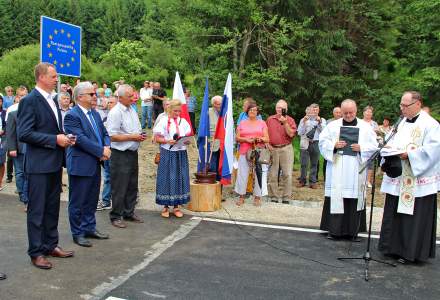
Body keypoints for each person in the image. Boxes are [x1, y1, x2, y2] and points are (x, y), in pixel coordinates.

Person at [18, 62, 75, 269]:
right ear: (41, 77)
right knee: (37, 210)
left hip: (53, 163)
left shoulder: (53, 100)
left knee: (52, 208)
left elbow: (51, 128)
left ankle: (51, 244)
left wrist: (64, 138)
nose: (56, 79)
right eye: (53, 76)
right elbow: (23, 133)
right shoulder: (30, 101)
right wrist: (54, 140)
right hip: (38, 165)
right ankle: (36, 252)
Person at [378, 91, 439, 264]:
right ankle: (391, 248)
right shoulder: (401, 122)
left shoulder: (431, 124)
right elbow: (392, 141)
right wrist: (389, 150)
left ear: (418, 104)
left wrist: (410, 155)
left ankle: (410, 252)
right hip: (399, 176)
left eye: (405, 106)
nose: (402, 109)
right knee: (394, 211)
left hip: (416, 180)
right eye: (401, 105)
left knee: (412, 216)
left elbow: (433, 151)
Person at [318, 99, 377, 241]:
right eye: (345, 113)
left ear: (356, 111)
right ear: (341, 111)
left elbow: (374, 146)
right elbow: (322, 142)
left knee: (354, 197)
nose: (348, 115)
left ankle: (353, 231)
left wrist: (361, 147)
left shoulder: (365, 127)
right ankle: (334, 230)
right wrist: (334, 145)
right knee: (337, 196)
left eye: (351, 112)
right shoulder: (333, 126)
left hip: (356, 168)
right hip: (338, 166)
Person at [64, 82, 111, 247]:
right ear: (80, 97)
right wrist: (101, 151)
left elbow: (104, 133)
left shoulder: (95, 114)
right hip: (80, 164)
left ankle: (89, 227)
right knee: (78, 201)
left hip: (95, 162)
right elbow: (80, 140)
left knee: (91, 198)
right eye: (91, 94)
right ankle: (77, 233)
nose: (95, 96)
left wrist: (106, 147)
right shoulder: (72, 116)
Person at [106, 84, 147, 228]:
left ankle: (128, 212)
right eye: (130, 96)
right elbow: (112, 136)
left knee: (132, 184)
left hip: (132, 152)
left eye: (133, 95)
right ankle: (116, 216)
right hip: (120, 154)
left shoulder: (132, 110)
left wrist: (140, 135)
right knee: (119, 186)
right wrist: (132, 137)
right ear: (120, 97)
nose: (133, 98)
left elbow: (136, 129)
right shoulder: (116, 112)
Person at [153, 99, 192, 218]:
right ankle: (165, 206)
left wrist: (185, 142)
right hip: (167, 152)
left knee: (179, 177)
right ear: (169, 109)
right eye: (175, 111)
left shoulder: (183, 121)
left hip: (180, 153)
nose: (177, 113)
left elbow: (188, 138)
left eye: (179, 111)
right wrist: (167, 140)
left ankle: (176, 206)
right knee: (166, 177)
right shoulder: (164, 121)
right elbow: (156, 138)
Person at [234, 102, 269, 207]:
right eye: (250, 110)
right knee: (242, 173)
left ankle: (257, 197)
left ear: (257, 112)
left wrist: (260, 138)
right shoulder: (242, 123)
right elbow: (237, 137)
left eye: (254, 110)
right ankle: (241, 196)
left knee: (259, 173)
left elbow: (267, 138)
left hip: (258, 151)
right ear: (247, 111)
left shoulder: (262, 123)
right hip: (244, 150)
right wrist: (246, 139)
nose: (252, 112)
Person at [266, 99, 296, 204]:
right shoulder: (270, 119)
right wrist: (267, 143)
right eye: (278, 107)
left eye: (282, 108)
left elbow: (291, 134)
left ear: (286, 109)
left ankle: (286, 197)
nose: (280, 110)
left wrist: (285, 123)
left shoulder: (290, 120)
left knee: (287, 174)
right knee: (273, 174)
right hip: (273, 148)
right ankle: (273, 196)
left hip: (286, 148)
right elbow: (265, 134)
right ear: (275, 108)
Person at [6, 92, 28, 210]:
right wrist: (12, 148)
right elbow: (10, 133)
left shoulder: (32, 114)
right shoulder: (13, 114)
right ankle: (23, 197)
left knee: (29, 174)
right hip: (18, 150)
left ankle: (27, 199)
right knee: (20, 174)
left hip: (30, 150)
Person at [297, 103, 326, 189]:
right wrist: (304, 123)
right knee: (304, 163)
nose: (315, 111)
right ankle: (302, 180)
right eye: (313, 109)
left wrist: (319, 122)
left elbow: (324, 132)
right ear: (309, 110)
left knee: (314, 163)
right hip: (305, 142)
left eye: (316, 109)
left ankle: (313, 182)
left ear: (318, 110)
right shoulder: (303, 119)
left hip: (316, 142)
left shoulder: (322, 120)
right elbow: (299, 132)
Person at [97, 96, 118, 211]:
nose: (109, 104)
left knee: (120, 175)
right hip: (107, 150)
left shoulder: (120, 116)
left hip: (117, 151)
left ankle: (109, 200)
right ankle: (106, 200)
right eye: (108, 102)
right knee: (107, 176)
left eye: (112, 102)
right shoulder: (105, 118)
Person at [362, 105, 379, 188]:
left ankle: (368, 181)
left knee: (370, 164)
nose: (368, 113)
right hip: (361, 145)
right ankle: (360, 179)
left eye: (370, 112)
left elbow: (378, 134)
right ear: (363, 113)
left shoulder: (374, 123)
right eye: (367, 111)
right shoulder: (360, 122)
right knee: (361, 162)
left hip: (371, 146)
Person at [207, 96, 222, 179]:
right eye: (218, 104)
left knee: (221, 166)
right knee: (212, 166)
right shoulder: (208, 112)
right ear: (213, 104)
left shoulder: (226, 112)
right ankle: (212, 183)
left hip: (223, 143)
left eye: (221, 103)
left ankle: (219, 184)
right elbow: (204, 127)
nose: (220, 105)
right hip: (212, 143)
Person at [0, 96, 6, 191]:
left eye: (0, 101)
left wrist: (3, 131)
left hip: (2, 140)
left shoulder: (5, 112)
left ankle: (0, 182)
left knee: (1, 162)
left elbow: (7, 124)